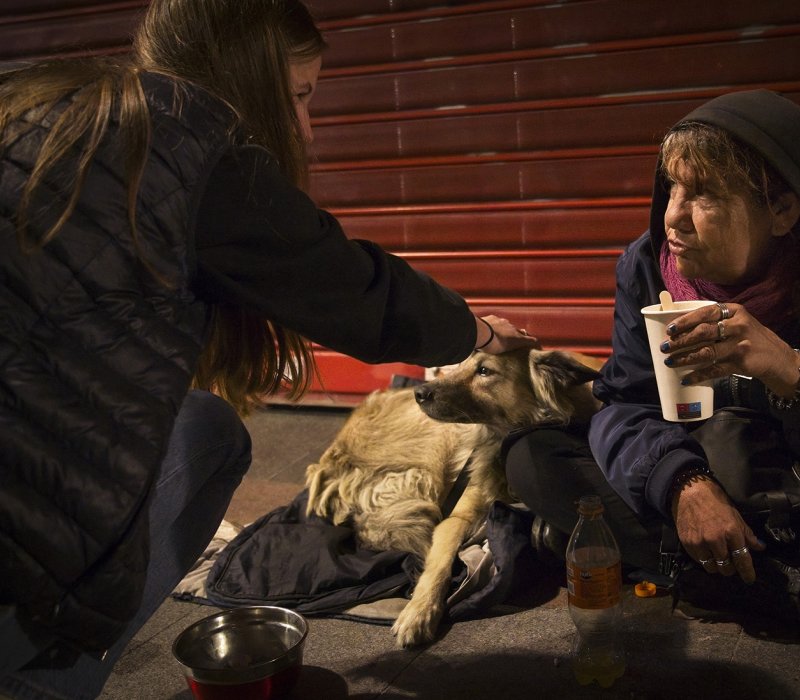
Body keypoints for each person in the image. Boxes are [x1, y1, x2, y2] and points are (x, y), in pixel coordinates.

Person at [0, 1, 537, 698]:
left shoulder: (52, 105)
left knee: (198, 425)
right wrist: (481, 333)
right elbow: (349, 289)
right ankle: (36, 676)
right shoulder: (181, 140)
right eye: (300, 96)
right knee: (208, 438)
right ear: (243, 76)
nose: (307, 131)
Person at [505, 89, 800, 666]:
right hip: (704, 470)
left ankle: (696, 574)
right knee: (531, 455)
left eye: (704, 194)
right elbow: (623, 403)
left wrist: (792, 372)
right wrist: (682, 485)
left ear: (783, 210)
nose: (673, 215)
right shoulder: (646, 266)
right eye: (671, 186)